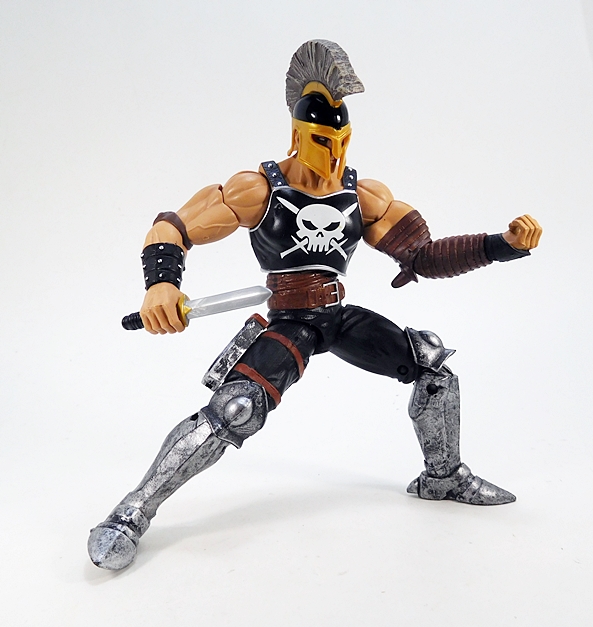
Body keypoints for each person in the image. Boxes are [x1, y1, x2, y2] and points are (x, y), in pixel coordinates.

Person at [88, 40, 542, 571]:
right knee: (235, 408)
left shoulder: (364, 196)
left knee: (432, 365)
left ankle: (443, 477)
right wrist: (161, 284)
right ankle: (132, 512)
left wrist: (502, 245)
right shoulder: (258, 189)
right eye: (324, 141)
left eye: (343, 141)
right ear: (297, 134)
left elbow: (423, 256)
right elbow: (173, 226)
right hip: (290, 323)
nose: (335, 155)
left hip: (337, 317)